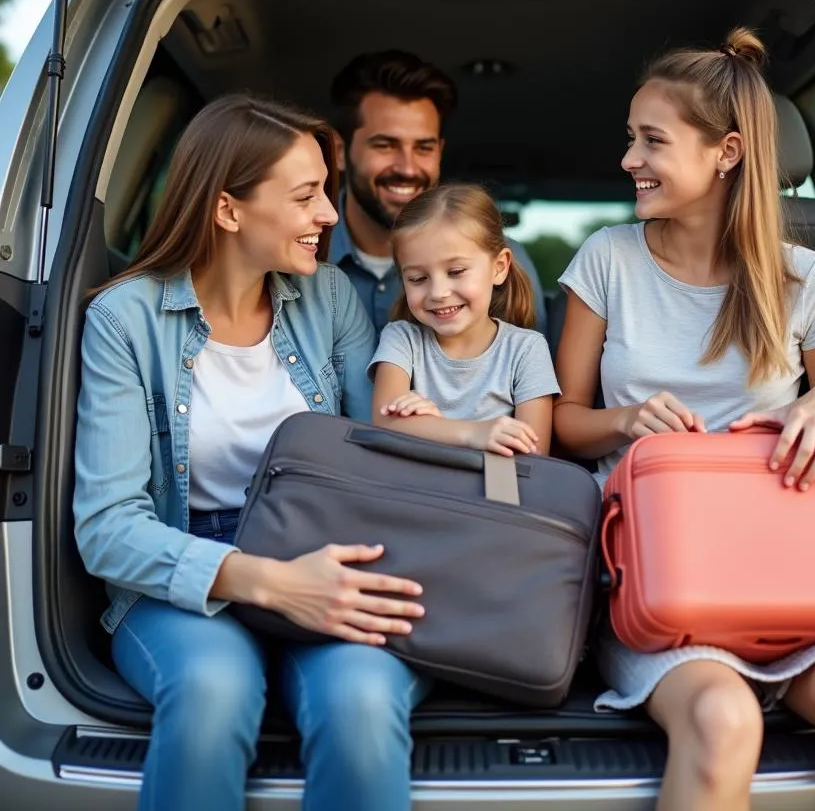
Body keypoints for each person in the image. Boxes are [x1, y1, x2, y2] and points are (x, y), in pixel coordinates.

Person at [552, 31, 815, 811]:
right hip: (663, 585)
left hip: (797, 579)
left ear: (726, 152)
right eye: (630, 138)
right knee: (722, 721)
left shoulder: (809, 278)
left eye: (651, 141)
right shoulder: (606, 258)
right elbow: (559, 426)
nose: (628, 159)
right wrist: (625, 420)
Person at [74, 95, 429, 811]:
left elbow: (379, 463)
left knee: (360, 703)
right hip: (182, 576)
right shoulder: (124, 319)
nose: (329, 215)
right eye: (305, 196)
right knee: (212, 689)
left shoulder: (329, 296)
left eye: (326, 192)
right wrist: (266, 581)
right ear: (229, 210)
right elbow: (107, 528)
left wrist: (434, 426)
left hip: (327, 561)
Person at [327, 50, 547, 338]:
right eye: (385, 145)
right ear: (339, 152)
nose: (407, 168)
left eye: (423, 148)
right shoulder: (299, 260)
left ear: (440, 152)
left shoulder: (500, 260)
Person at [370, 184, 559, 457]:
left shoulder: (526, 350)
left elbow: (533, 454)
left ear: (499, 267)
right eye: (418, 279)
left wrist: (432, 428)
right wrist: (473, 433)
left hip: (495, 492)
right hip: (412, 491)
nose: (438, 293)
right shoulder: (402, 339)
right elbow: (384, 421)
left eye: (456, 271)